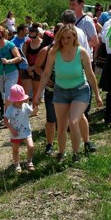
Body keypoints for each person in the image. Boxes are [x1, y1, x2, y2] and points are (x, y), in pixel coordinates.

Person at [39, 25, 103, 163]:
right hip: (60, 91)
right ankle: (61, 153)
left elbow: (90, 75)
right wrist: (38, 94)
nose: (65, 40)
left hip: (80, 90)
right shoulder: (54, 53)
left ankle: (76, 153)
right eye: (62, 38)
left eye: (68, 37)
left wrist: (97, 95)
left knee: (73, 121)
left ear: (74, 36)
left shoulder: (82, 52)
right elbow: (45, 73)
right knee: (61, 126)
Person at [61, 9, 97, 153]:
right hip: (81, 72)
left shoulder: (64, 33)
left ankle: (75, 146)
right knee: (80, 114)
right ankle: (86, 142)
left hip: (71, 75)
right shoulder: (80, 32)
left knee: (73, 116)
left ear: (63, 21)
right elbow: (87, 52)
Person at [34, 26, 60, 155]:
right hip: (51, 90)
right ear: (54, 35)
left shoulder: (71, 50)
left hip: (68, 90)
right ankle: (49, 145)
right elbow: (37, 67)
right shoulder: (46, 50)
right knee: (51, 119)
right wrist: (47, 75)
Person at [0, 25, 22, 113]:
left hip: (12, 72)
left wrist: (9, 61)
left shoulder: (10, 44)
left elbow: (19, 57)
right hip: (0, 73)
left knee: (8, 95)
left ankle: (7, 116)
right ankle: (16, 111)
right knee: (3, 96)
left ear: (3, 36)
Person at [4, 85, 35, 172]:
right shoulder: (10, 109)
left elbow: (32, 113)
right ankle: (17, 164)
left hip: (26, 132)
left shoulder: (25, 105)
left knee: (31, 146)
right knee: (15, 149)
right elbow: (5, 121)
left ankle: (29, 162)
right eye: (18, 101)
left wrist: (36, 108)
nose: (20, 102)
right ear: (13, 100)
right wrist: (12, 129)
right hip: (15, 133)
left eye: (21, 100)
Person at [22, 24, 44, 115]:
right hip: (27, 68)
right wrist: (28, 69)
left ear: (37, 32)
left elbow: (44, 58)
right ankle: (24, 110)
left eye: (33, 31)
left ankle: (35, 110)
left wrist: (34, 68)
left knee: (36, 91)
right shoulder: (26, 43)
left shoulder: (43, 43)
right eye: (30, 31)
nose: (31, 33)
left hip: (38, 69)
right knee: (26, 92)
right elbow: (23, 57)